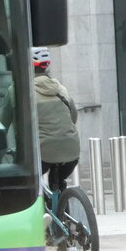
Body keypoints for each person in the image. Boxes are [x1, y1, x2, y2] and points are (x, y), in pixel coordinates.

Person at [30, 47, 80, 192]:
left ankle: (44, 207)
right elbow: (73, 116)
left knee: (29, 183)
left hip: (44, 151)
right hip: (72, 150)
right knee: (58, 182)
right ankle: (62, 208)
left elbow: (8, 122)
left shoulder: (22, 90)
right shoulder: (60, 88)